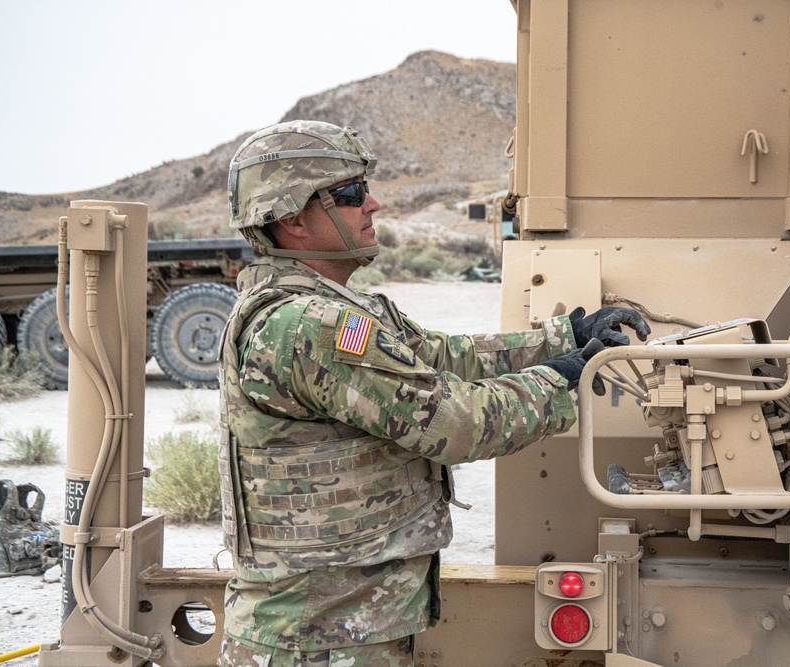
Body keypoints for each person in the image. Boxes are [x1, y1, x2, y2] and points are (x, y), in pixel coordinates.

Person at [217, 120, 650, 667]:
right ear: (293, 219)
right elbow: (453, 425)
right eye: (350, 194)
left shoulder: (333, 310)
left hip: (337, 626)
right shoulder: (309, 326)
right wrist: (563, 378)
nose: (372, 204)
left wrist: (563, 339)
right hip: (315, 637)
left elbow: (444, 357)